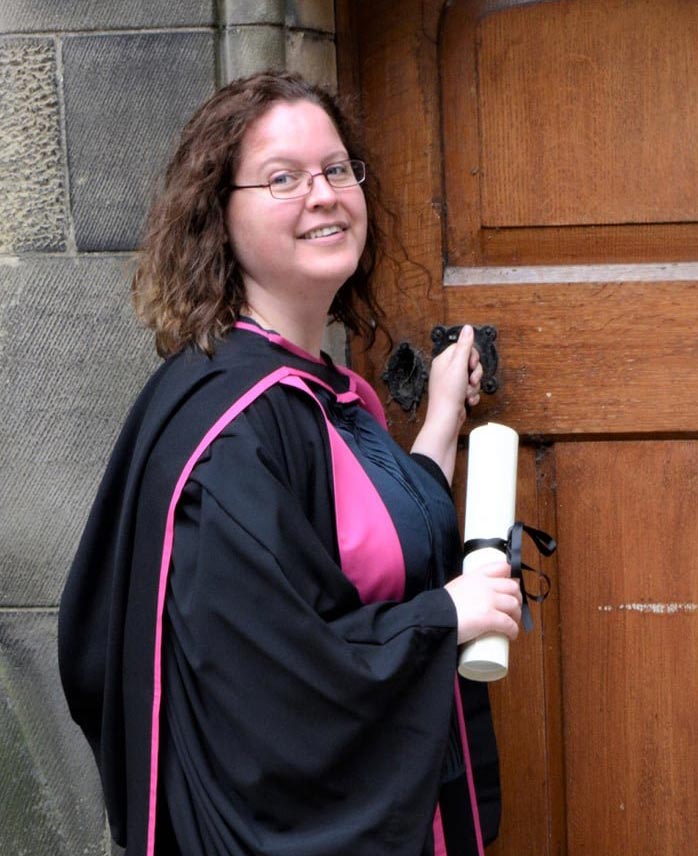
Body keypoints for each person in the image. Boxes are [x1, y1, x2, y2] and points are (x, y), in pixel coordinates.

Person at [58, 71, 522, 856]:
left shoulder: (321, 393)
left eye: (337, 169)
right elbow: (272, 681)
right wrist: (446, 617)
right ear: (219, 216)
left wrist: (442, 417)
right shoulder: (230, 430)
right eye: (283, 178)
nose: (323, 195)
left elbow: (372, 541)